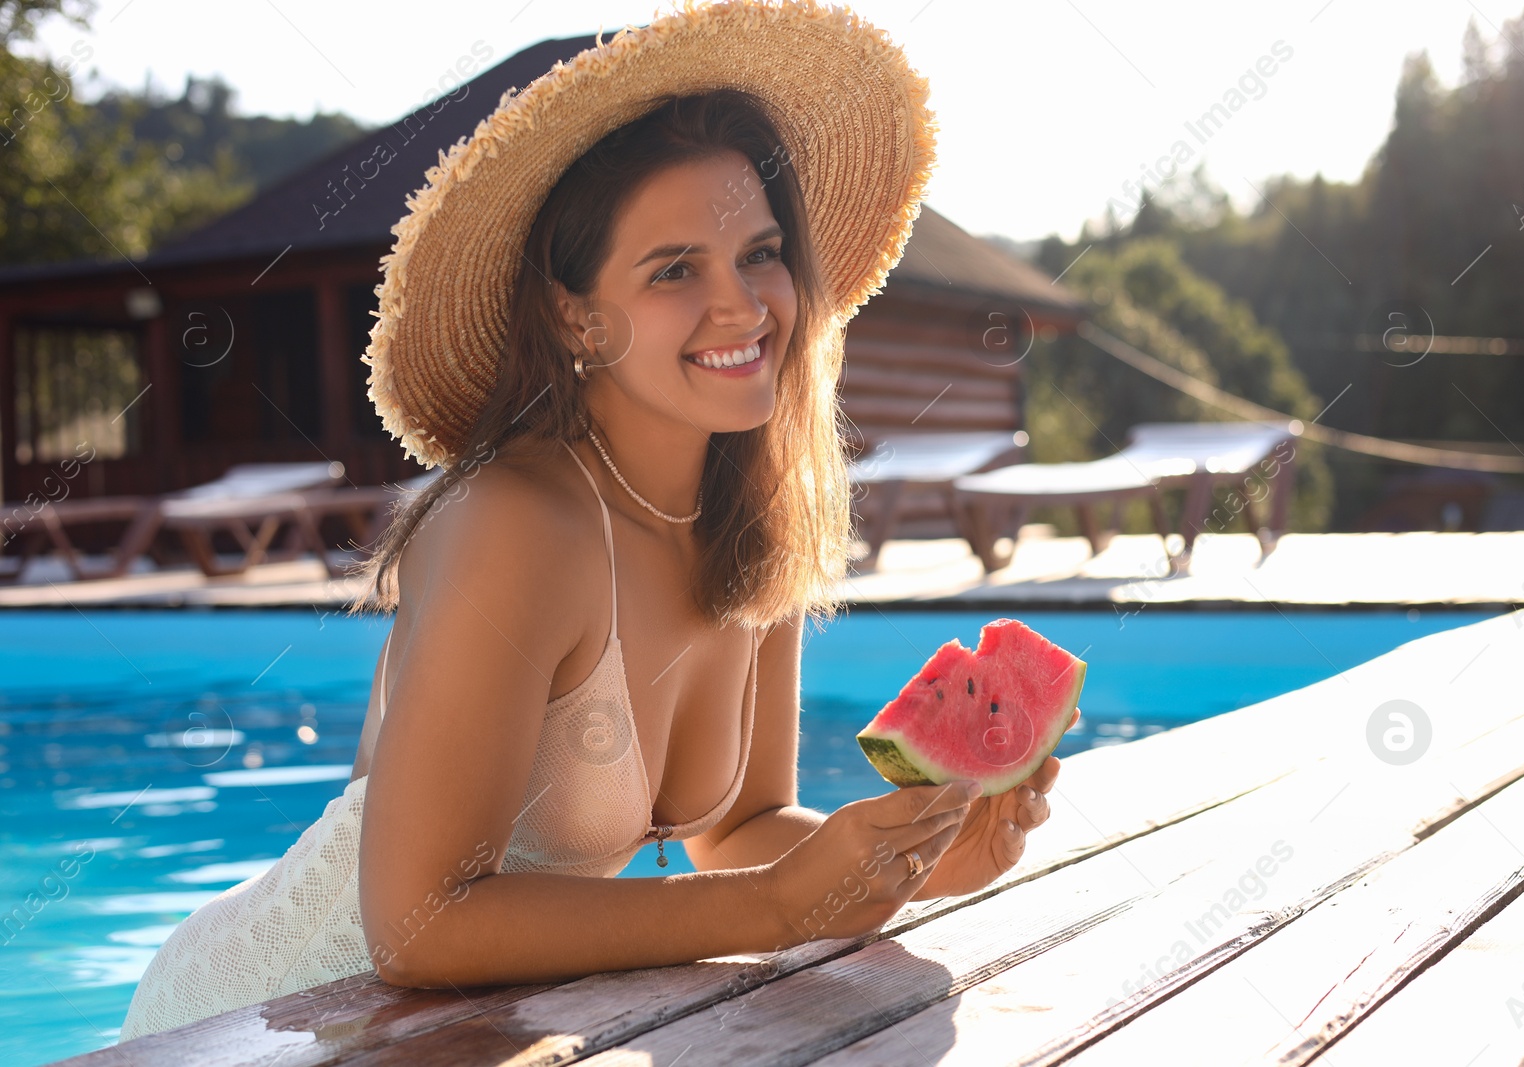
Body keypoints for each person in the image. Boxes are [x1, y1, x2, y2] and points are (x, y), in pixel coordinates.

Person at [118, 0, 1064, 1042]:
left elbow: (740, 827)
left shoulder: (753, 520)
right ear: (574, 313)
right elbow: (416, 924)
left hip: (461, 1035)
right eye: (674, 269)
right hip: (256, 1021)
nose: (742, 304)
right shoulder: (514, 521)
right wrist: (777, 903)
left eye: (759, 251)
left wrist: (918, 855)